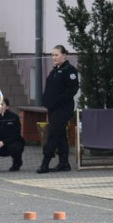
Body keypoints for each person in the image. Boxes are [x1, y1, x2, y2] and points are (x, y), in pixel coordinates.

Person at [37, 45, 79, 173]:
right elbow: (49, 89)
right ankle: (64, 163)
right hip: (53, 108)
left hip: (63, 109)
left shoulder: (69, 70)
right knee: (60, 135)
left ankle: (45, 163)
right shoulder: (54, 71)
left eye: (56, 55)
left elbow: (72, 90)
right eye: (52, 55)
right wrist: (46, 101)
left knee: (53, 134)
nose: (53, 57)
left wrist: (57, 101)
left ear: (64, 55)